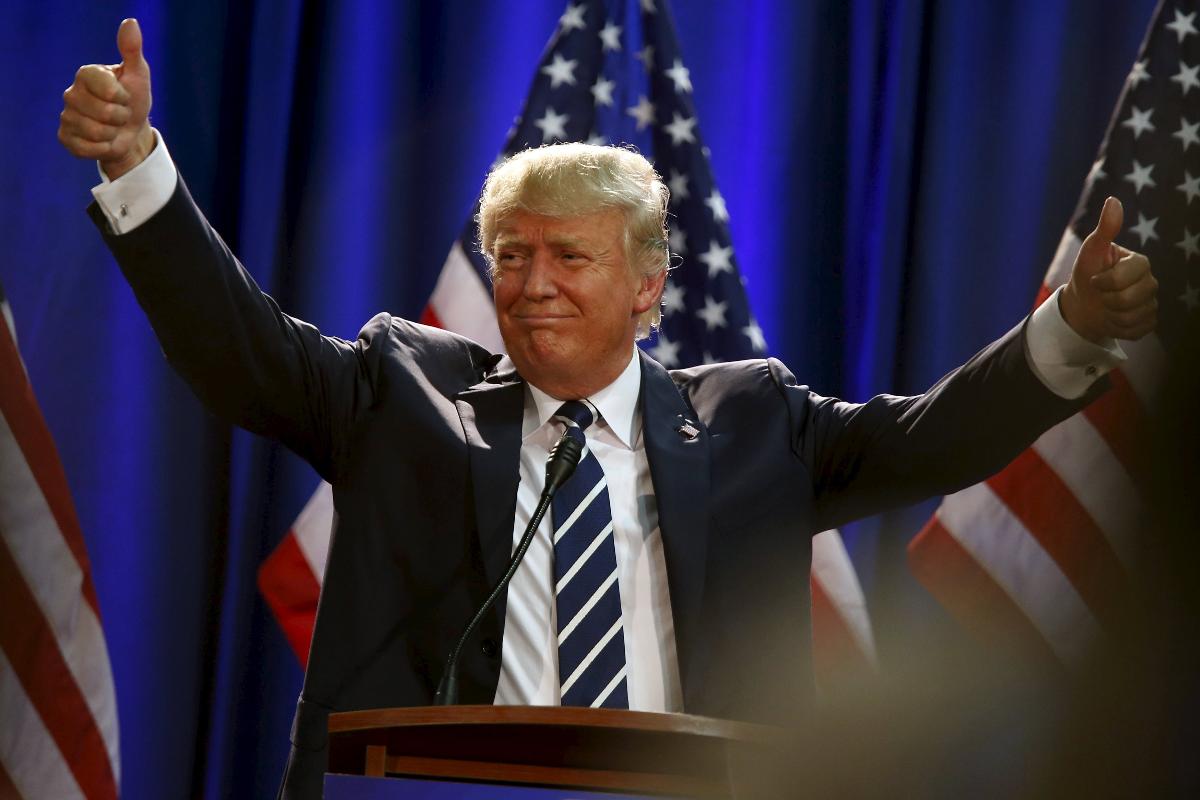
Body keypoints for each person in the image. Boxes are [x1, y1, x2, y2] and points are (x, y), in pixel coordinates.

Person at [59, 19, 1158, 799]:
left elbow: (935, 437)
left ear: (646, 286)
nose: (531, 284)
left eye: (569, 257)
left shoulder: (756, 425)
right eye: (511, 256)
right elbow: (238, 349)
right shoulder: (398, 393)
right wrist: (137, 165)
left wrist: (1068, 327)